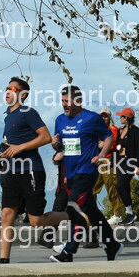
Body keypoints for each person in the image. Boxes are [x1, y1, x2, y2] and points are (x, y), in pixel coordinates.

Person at [0, 77, 87, 264]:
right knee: (6, 215)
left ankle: (73, 215)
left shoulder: (28, 112)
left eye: (13, 89)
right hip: (10, 173)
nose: (8, 92)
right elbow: (10, 144)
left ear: (23, 95)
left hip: (30, 171)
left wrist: (20, 148)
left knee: (36, 221)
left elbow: (45, 137)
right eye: (7, 88)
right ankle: (3, 260)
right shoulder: (8, 116)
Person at [50, 85, 124, 262]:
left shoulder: (91, 118)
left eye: (67, 101)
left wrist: (101, 155)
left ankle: (68, 252)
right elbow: (62, 146)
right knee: (90, 210)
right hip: (70, 173)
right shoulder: (60, 120)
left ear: (78, 101)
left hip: (87, 170)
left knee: (73, 208)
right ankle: (112, 245)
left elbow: (108, 137)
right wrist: (55, 145)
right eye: (62, 101)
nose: (64, 104)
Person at [92, 108, 124, 226]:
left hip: (109, 162)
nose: (103, 118)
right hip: (99, 163)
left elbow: (112, 144)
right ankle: (93, 214)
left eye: (106, 116)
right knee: (92, 189)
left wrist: (103, 144)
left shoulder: (113, 129)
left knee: (111, 189)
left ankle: (117, 215)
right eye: (102, 116)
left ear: (110, 117)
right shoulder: (98, 130)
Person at [114, 107, 139, 226]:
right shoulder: (120, 130)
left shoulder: (136, 131)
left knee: (120, 186)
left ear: (127, 118)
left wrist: (138, 165)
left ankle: (130, 213)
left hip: (130, 162)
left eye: (122, 116)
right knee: (125, 187)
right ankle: (130, 215)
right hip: (120, 162)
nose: (120, 118)